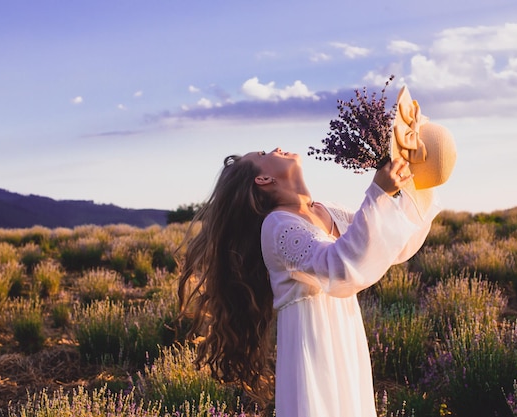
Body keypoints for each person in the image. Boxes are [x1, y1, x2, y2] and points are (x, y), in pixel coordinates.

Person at [177, 86, 455, 417]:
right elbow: (341, 266)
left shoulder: (328, 211)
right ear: (263, 178)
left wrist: (406, 185)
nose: (278, 147)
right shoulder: (278, 225)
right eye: (265, 152)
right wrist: (378, 191)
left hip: (344, 339)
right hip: (315, 346)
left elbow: (391, 244)